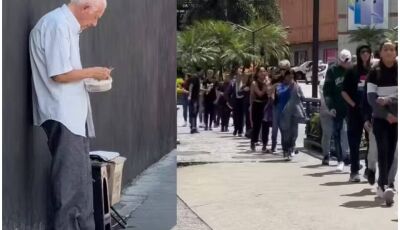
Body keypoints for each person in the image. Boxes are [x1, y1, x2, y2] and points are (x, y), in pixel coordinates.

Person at [29, 0, 109, 228]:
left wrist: (88, 76)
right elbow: (59, 74)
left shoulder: (65, 26)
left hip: (72, 115)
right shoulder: (57, 24)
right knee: (70, 190)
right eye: (96, 16)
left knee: (81, 185)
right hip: (63, 115)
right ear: (85, 8)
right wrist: (92, 72)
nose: (95, 23)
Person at [367, 40, 397, 204]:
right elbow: (371, 99)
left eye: (392, 49)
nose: (389, 52)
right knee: (383, 150)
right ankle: (385, 185)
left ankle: (383, 183)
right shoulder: (374, 72)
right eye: (386, 49)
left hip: (397, 119)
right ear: (381, 52)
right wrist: (387, 115)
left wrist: (389, 99)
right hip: (380, 119)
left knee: (392, 152)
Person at [341, 45, 372, 182]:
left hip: (371, 113)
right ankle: (354, 171)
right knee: (354, 142)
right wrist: (353, 104)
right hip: (354, 112)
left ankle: (369, 169)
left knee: (372, 142)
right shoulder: (352, 71)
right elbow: (343, 91)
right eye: (362, 52)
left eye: (367, 52)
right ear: (358, 55)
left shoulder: (374, 71)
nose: (365, 54)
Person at [323, 49, 353, 172]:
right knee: (337, 133)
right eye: (344, 60)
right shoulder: (332, 71)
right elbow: (327, 91)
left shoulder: (352, 71)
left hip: (352, 107)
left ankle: (350, 158)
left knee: (351, 134)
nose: (346, 63)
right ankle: (340, 159)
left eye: (348, 60)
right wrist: (331, 107)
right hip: (338, 107)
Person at [278, 69, 306, 160]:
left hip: (296, 112)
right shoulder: (281, 86)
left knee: (295, 132)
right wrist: (289, 88)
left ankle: (291, 149)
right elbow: (280, 95)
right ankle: (286, 150)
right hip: (284, 113)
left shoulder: (297, 86)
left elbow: (302, 97)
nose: (290, 78)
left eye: (292, 76)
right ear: (285, 77)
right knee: (286, 133)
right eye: (288, 76)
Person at [271, 60, 290, 152]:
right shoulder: (276, 79)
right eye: (281, 69)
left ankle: (284, 148)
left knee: (284, 128)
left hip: (287, 106)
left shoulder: (291, 79)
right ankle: (273, 145)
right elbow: (270, 90)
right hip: (277, 105)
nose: (283, 71)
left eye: (285, 69)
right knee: (275, 127)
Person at [250, 67, 269, 151]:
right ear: (257, 73)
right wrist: (266, 86)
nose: (262, 73)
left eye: (264, 71)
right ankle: (253, 142)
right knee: (256, 125)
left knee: (266, 126)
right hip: (257, 105)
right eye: (260, 71)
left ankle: (265, 144)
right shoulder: (254, 83)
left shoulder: (268, 82)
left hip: (266, 105)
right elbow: (260, 94)